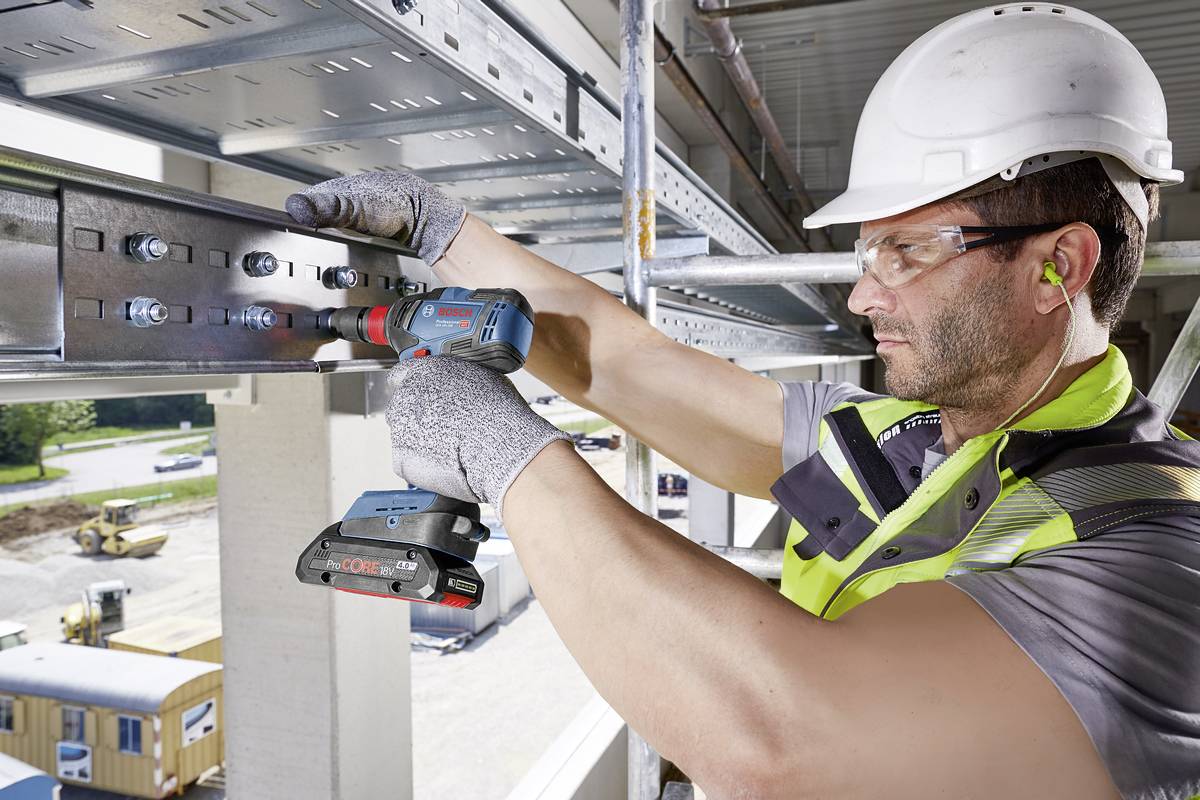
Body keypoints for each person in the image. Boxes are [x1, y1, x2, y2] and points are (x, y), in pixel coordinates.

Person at [286, 4, 1200, 797]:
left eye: (908, 252)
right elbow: (633, 368)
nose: (861, 297)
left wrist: (507, 456)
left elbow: (788, 743)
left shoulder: (1158, 560)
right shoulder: (910, 441)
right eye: (866, 252)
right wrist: (444, 235)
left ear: (1058, 265)